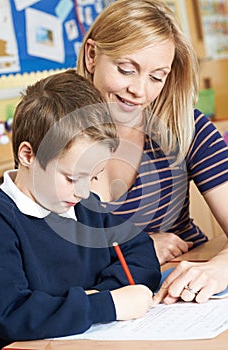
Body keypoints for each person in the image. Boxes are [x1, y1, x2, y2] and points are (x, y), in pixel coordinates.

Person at [0, 69, 161, 350]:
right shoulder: (1, 222)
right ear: (28, 155)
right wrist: (105, 304)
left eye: (93, 177)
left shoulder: (85, 206)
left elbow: (142, 255)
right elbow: (11, 314)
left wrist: (105, 295)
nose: (84, 191)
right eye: (72, 178)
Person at [76, 0, 228, 304]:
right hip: (103, 303)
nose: (140, 91)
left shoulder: (185, 127)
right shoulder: (49, 135)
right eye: (126, 69)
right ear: (92, 56)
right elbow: (44, 258)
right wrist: (140, 248)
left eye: (157, 77)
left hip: (182, 295)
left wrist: (222, 267)